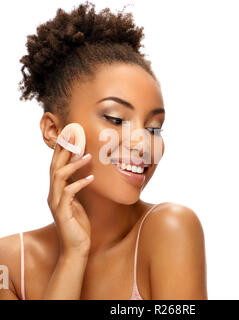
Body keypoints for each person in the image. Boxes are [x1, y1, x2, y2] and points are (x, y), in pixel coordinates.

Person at [0, 1, 207, 300]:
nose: (143, 143)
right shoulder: (9, 263)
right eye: (116, 119)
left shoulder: (170, 230)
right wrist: (73, 256)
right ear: (54, 131)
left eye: (154, 128)